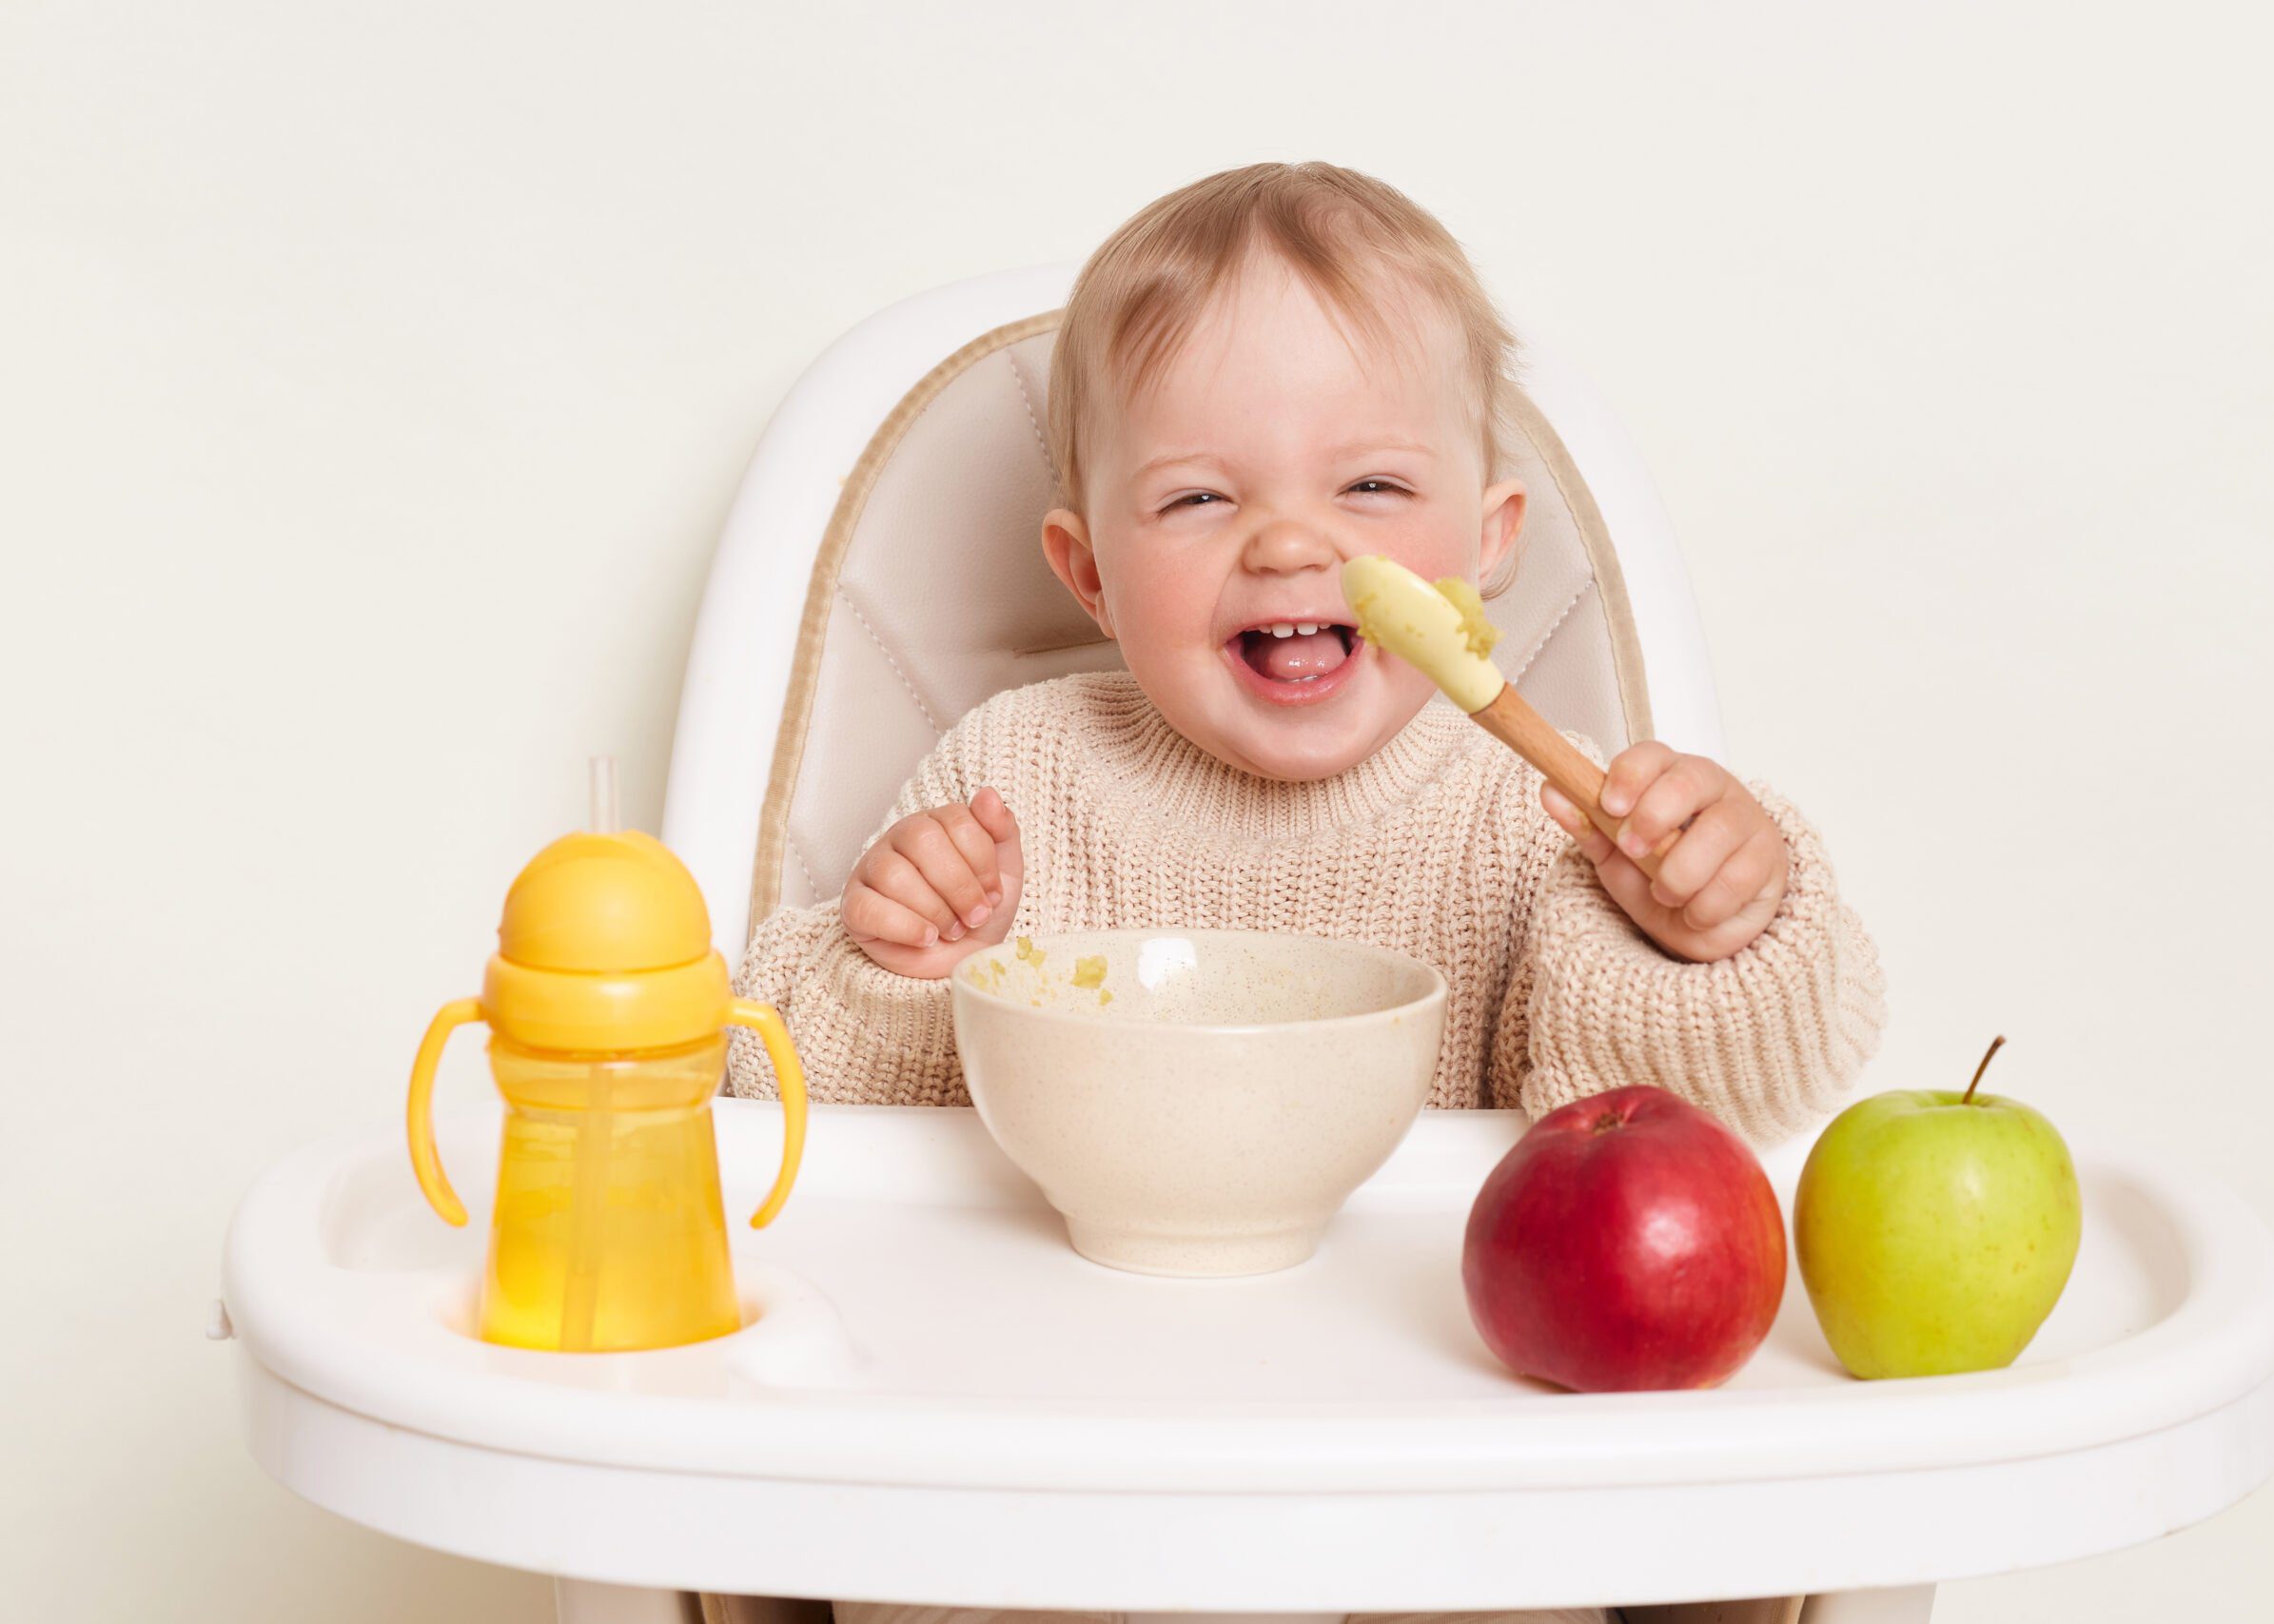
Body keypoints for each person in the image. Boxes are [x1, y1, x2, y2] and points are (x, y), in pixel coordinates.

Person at [727, 162, 1888, 1624]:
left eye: (1374, 487)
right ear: (1088, 573)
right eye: (1201, 496)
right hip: (1072, 1453)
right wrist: (894, 969)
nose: (1291, 543)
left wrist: (1709, 935)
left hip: (1442, 1465)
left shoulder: (1547, 814)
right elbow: (782, 1131)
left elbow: (1698, 1132)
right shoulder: (1015, 773)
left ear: (1489, 544)